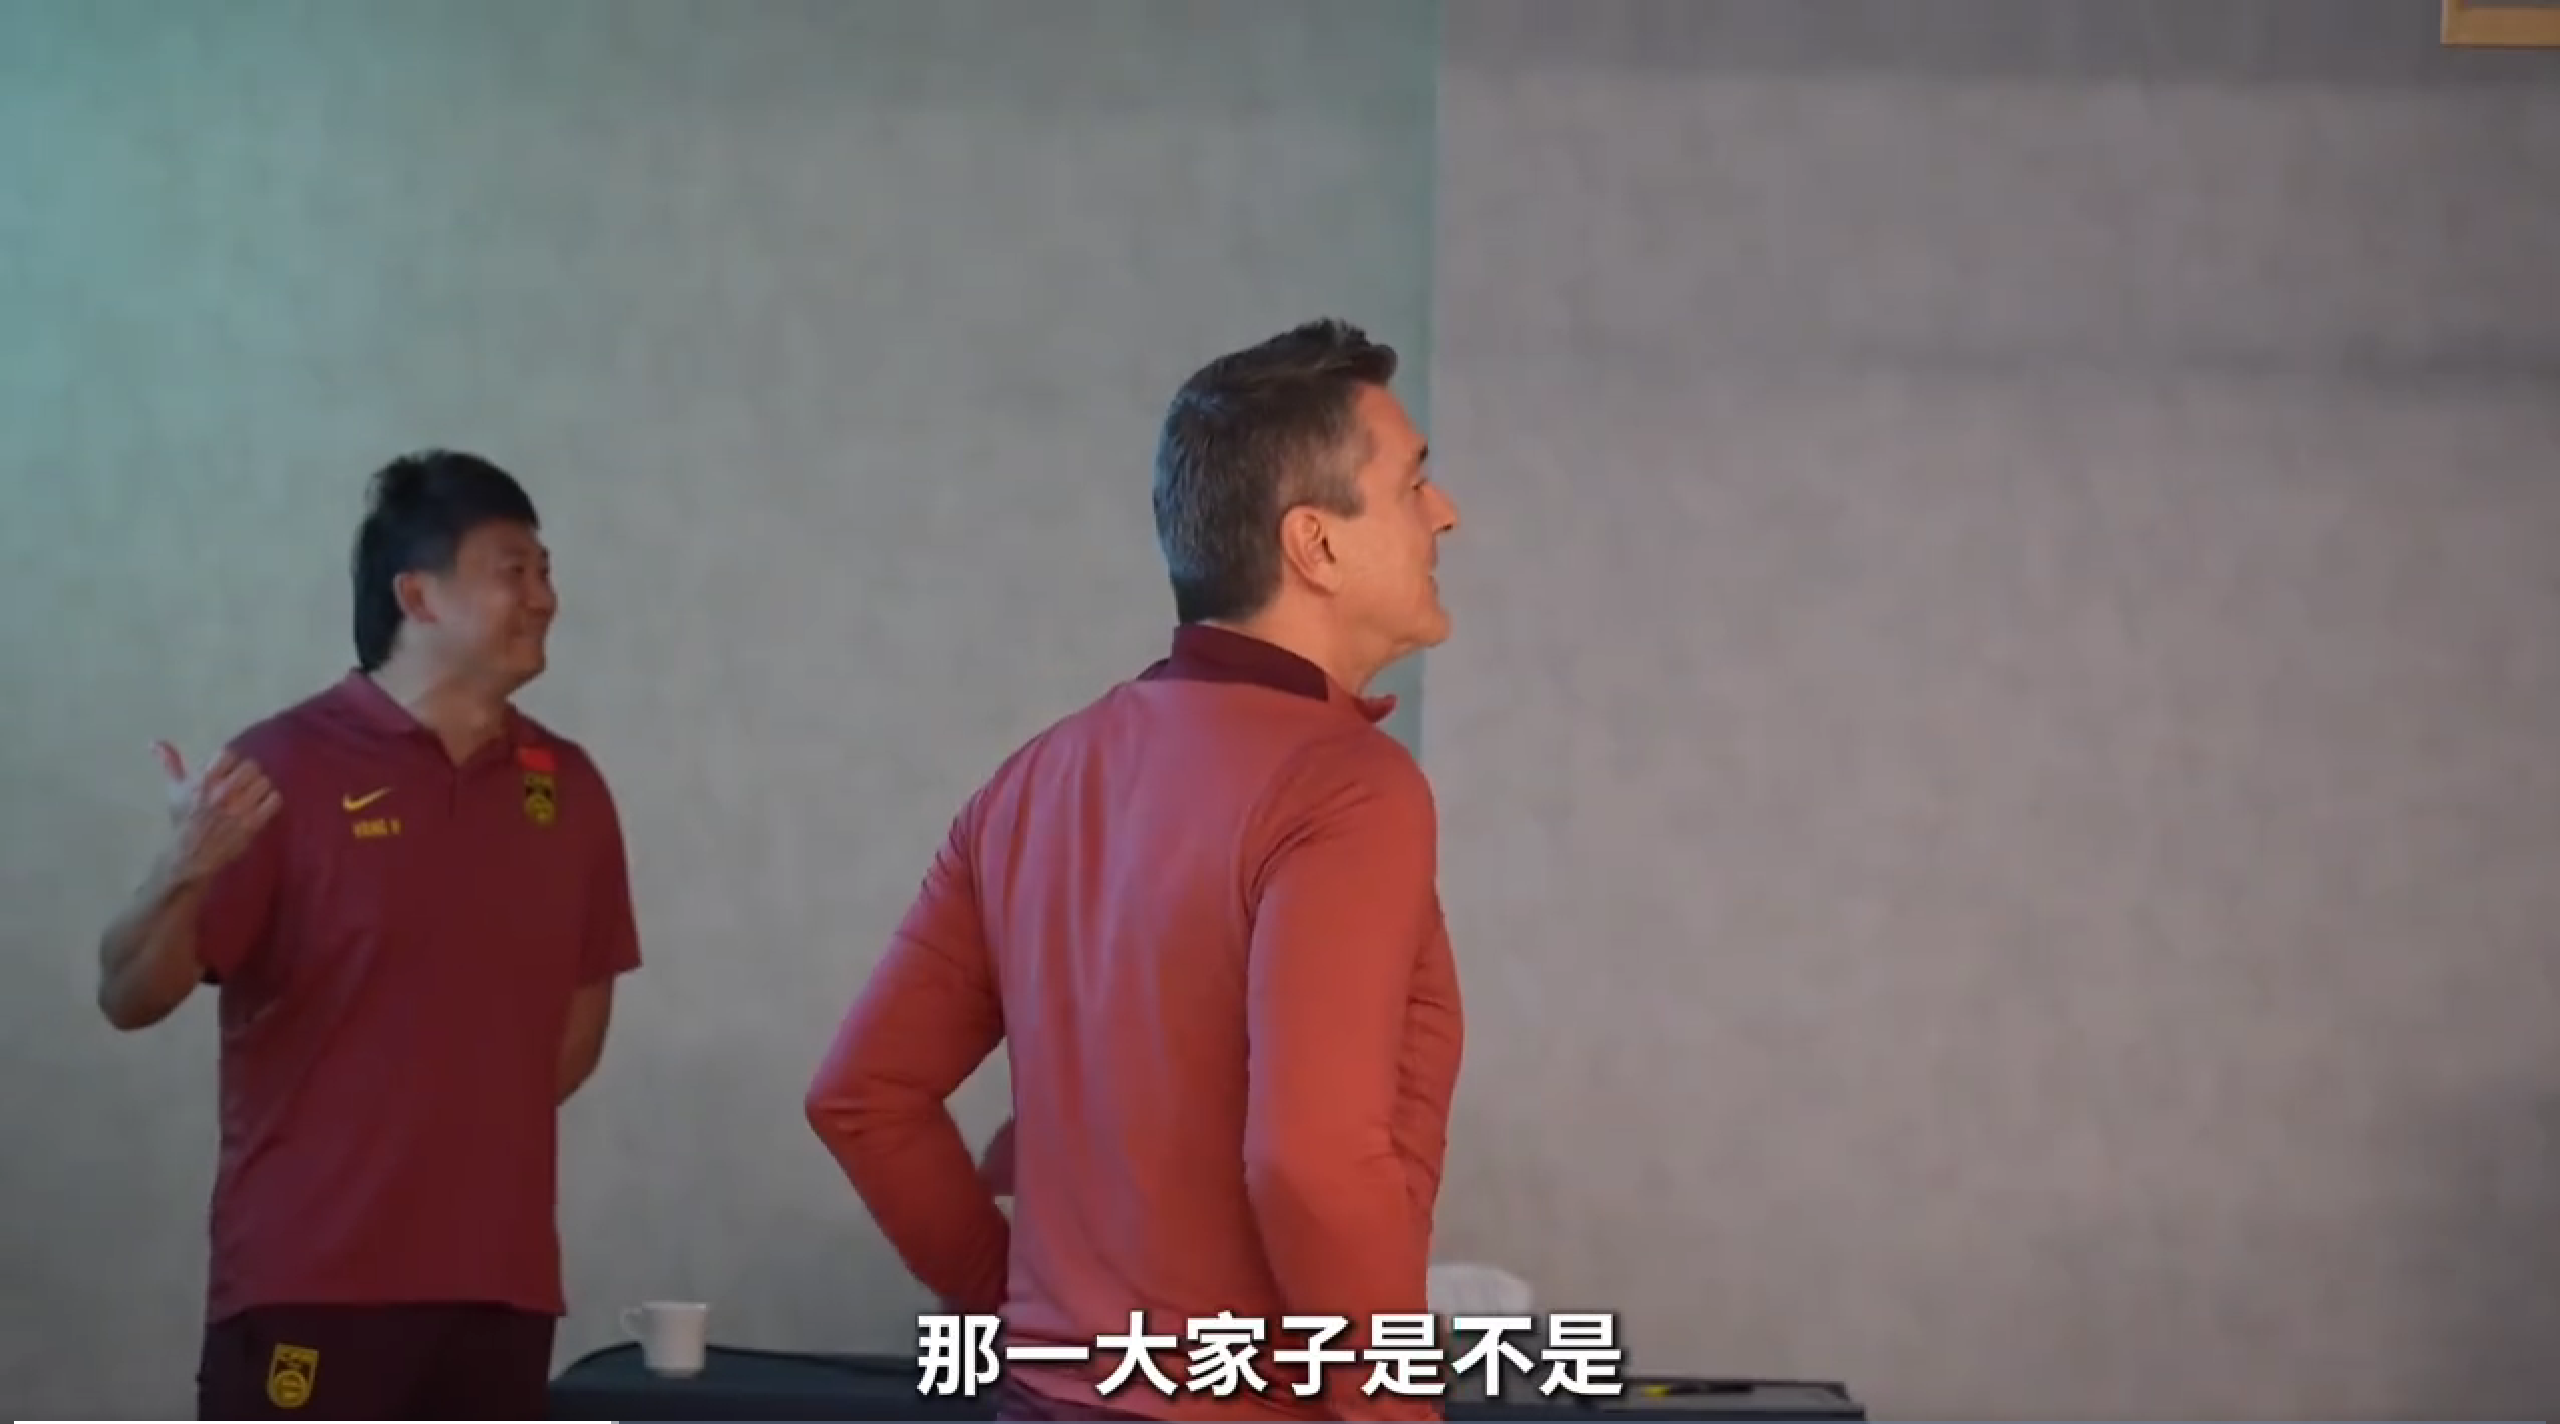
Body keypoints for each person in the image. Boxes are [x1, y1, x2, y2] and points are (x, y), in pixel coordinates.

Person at [807, 319, 1465, 1423]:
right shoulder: (1346, 785)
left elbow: (861, 1096)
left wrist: (1020, 1311)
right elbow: (1310, 1160)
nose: (1444, 513)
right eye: (1412, 485)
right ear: (1315, 544)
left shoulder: (1034, 778)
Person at [93, 449, 643, 1419]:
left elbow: (570, 1031)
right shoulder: (282, 767)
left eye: (546, 571)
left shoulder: (572, 788)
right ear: (416, 595)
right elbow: (127, 995)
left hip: (501, 1285)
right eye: (513, 570)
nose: (544, 597)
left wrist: (452, 1120)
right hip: (310, 1278)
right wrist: (183, 866)